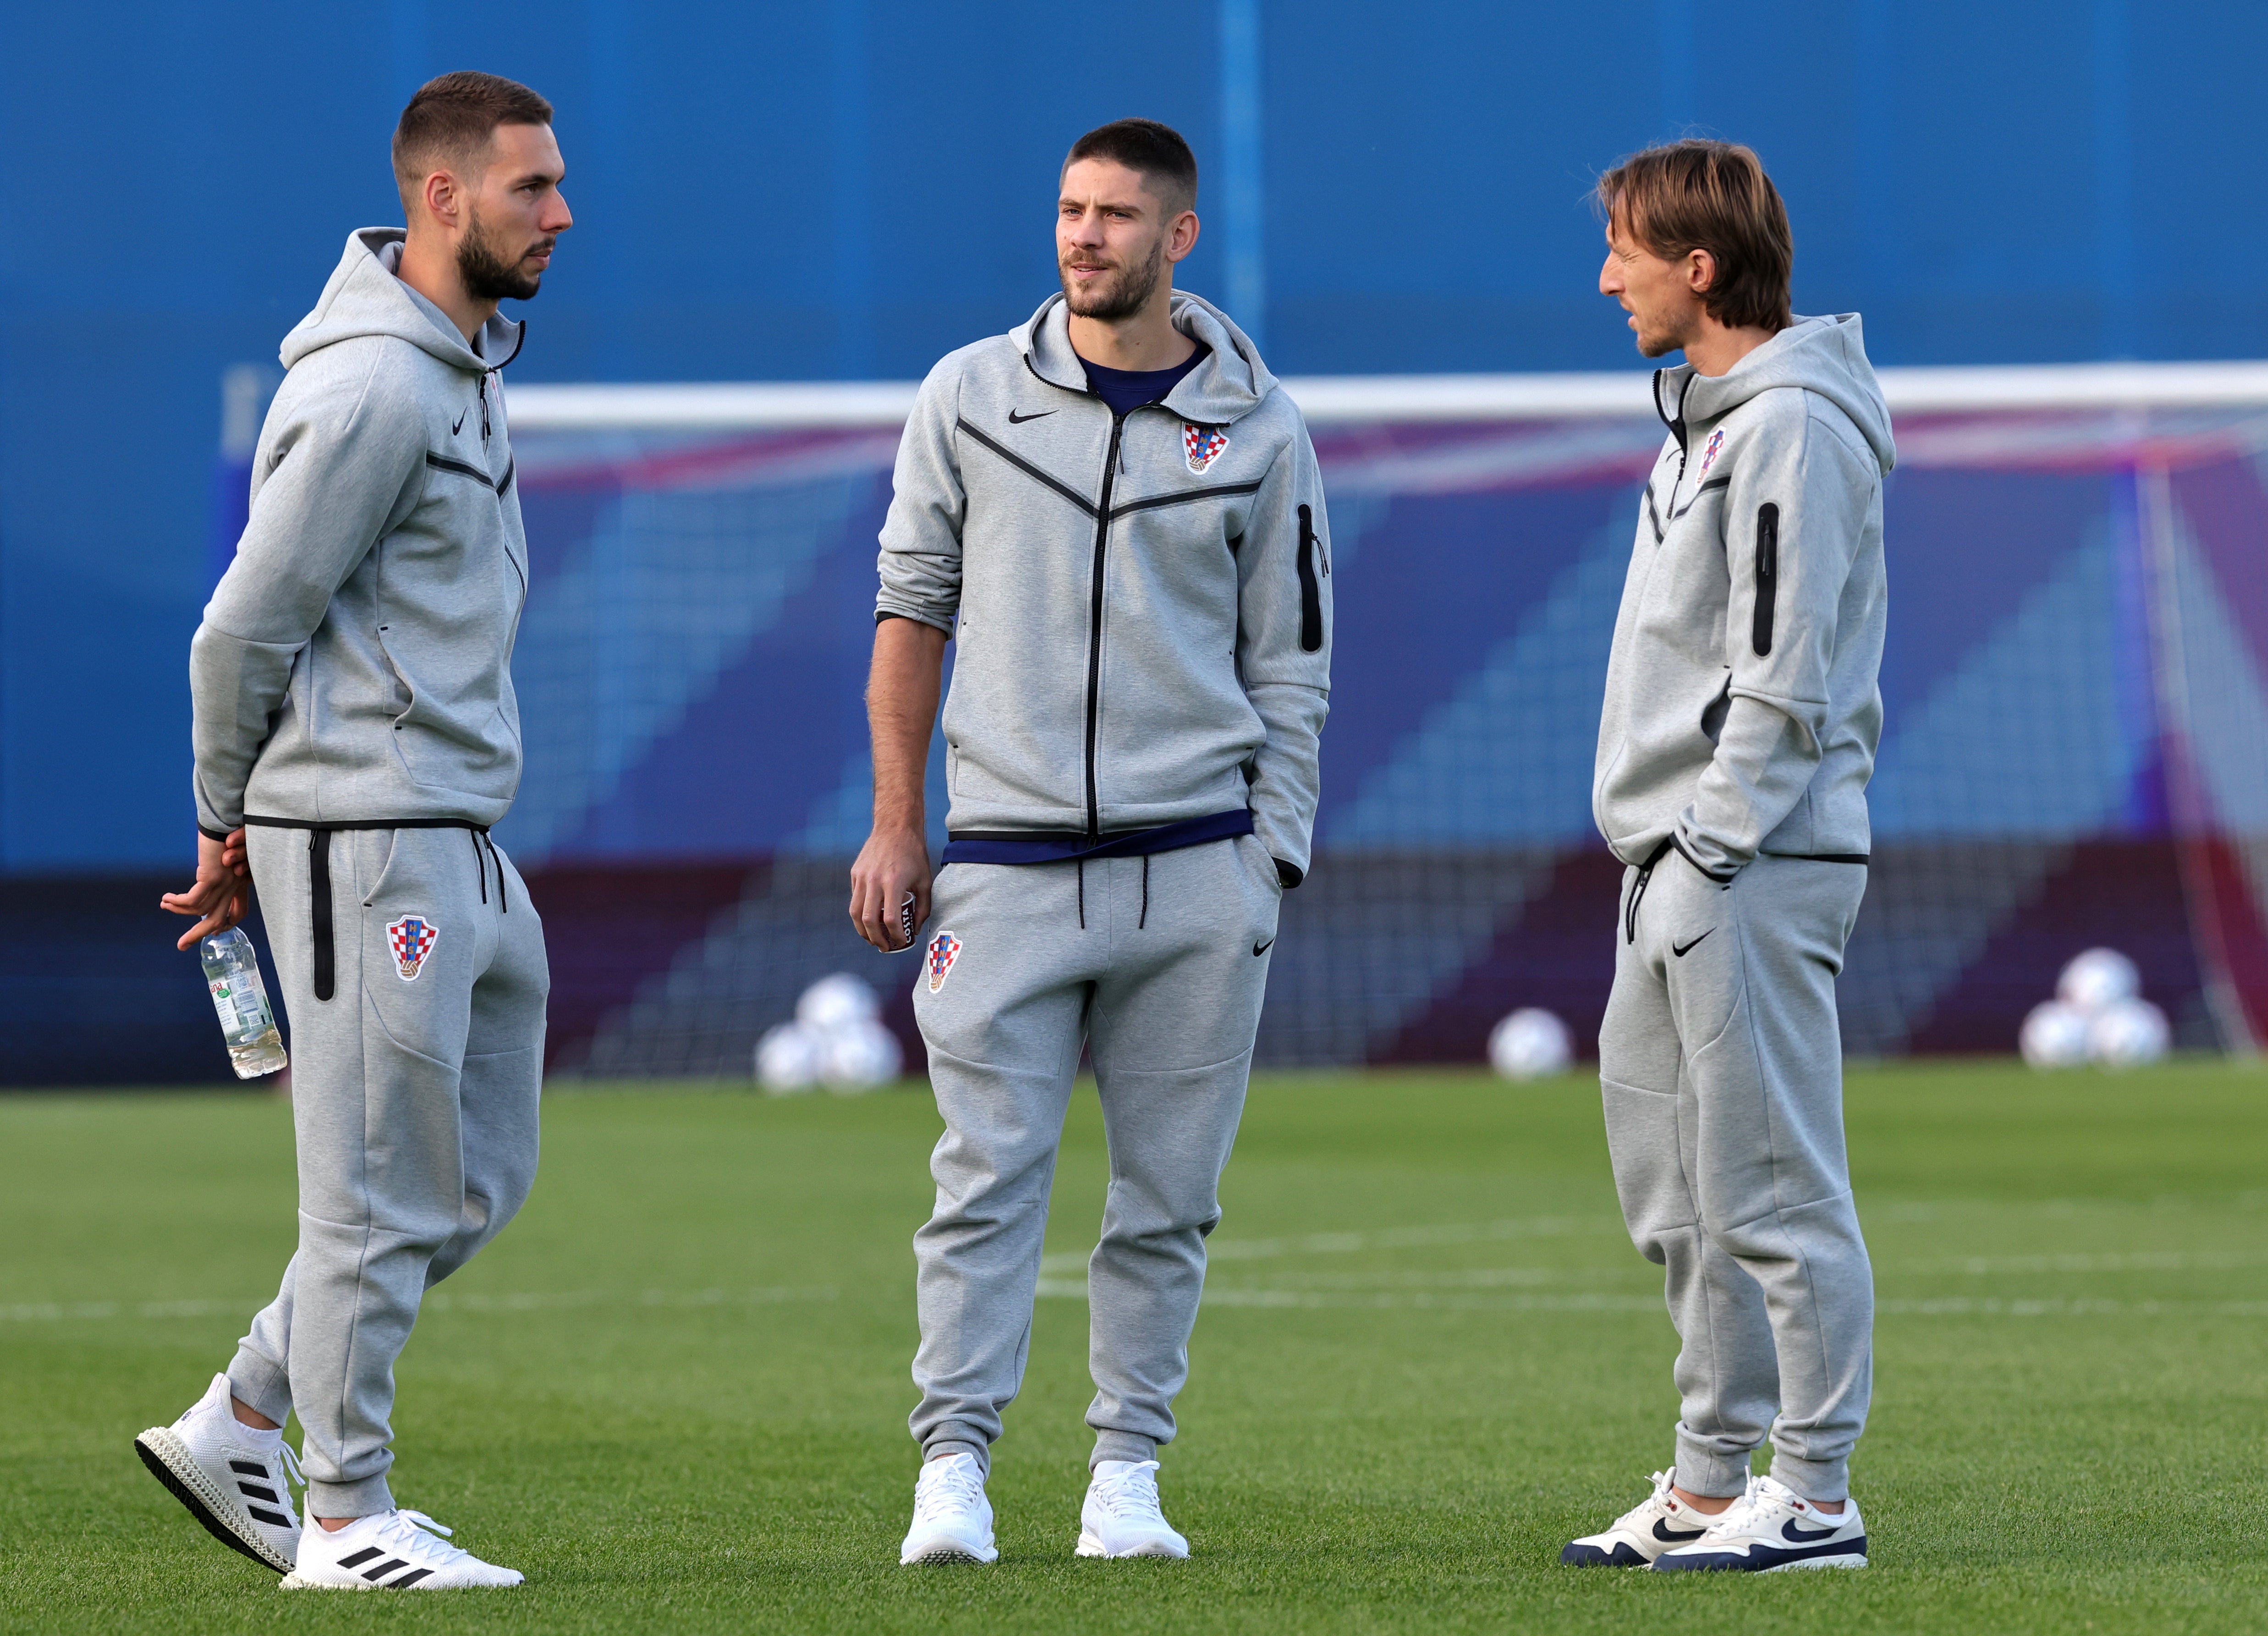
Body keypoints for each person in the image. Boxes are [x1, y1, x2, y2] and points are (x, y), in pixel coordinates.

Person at [849, 117, 1332, 1565]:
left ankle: (1125, 1477)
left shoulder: (1262, 429)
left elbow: (1291, 659)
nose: (1083, 237)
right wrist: (893, 823)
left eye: (1116, 216)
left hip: (1199, 871)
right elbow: (908, 613)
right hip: (1000, 867)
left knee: (1167, 1203)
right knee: (979, 1185)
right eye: (1069, 210)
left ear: (1177, 237)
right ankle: (954, 1472)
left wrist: (1272, 858)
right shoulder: (967, 396)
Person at [140, 71, 570, 1592]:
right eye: (532, 188)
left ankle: (243, 1413)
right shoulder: (375, 387)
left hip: (458, 835)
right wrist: (224, 822)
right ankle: (341, 1519)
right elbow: (240, 630)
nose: (561, 213)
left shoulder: (456, 365)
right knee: (372, 1193)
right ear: (442, 198)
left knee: (468, 1186)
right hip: (363, 839)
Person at [1565, 139, 1893, 1573]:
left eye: (1624, 250)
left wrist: (1706, 853)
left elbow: (1782, 675)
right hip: (1674, 861)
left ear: (1696, 268)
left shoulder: (1790, 428)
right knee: (1679, 1198)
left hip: (1742, 860)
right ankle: (1707, 1482)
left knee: (1769, 1185)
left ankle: (1813, 1494)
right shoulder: (1702, 423)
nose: (1606, 276)